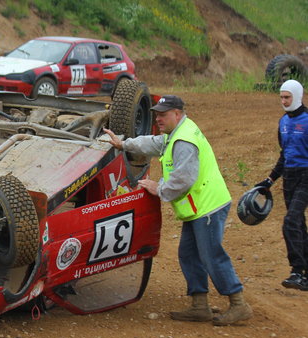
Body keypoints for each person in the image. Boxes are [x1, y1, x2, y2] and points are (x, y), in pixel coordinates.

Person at [103, 95, 252, 326]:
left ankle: (238, 303)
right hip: (198, 208)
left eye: (163, 114)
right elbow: (153, 143)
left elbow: (184, 179)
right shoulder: (175, 135)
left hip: (208, 206)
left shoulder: (183, 141)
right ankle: (200, 306)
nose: (158, 118)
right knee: (188, 254)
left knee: (212, 255)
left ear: (178, 114)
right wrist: (124, 144)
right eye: (157, 114)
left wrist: (158, 187)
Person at [255, 80, 308, 290]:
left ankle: (297, 270)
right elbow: (284, 155)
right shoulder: (283, 122)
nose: (284, 101)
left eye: (287, 97)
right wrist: (269, 180)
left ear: (298, 96)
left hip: (306, 176)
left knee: (291, 221)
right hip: (289, 178)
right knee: (299, 225)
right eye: (282, 98)